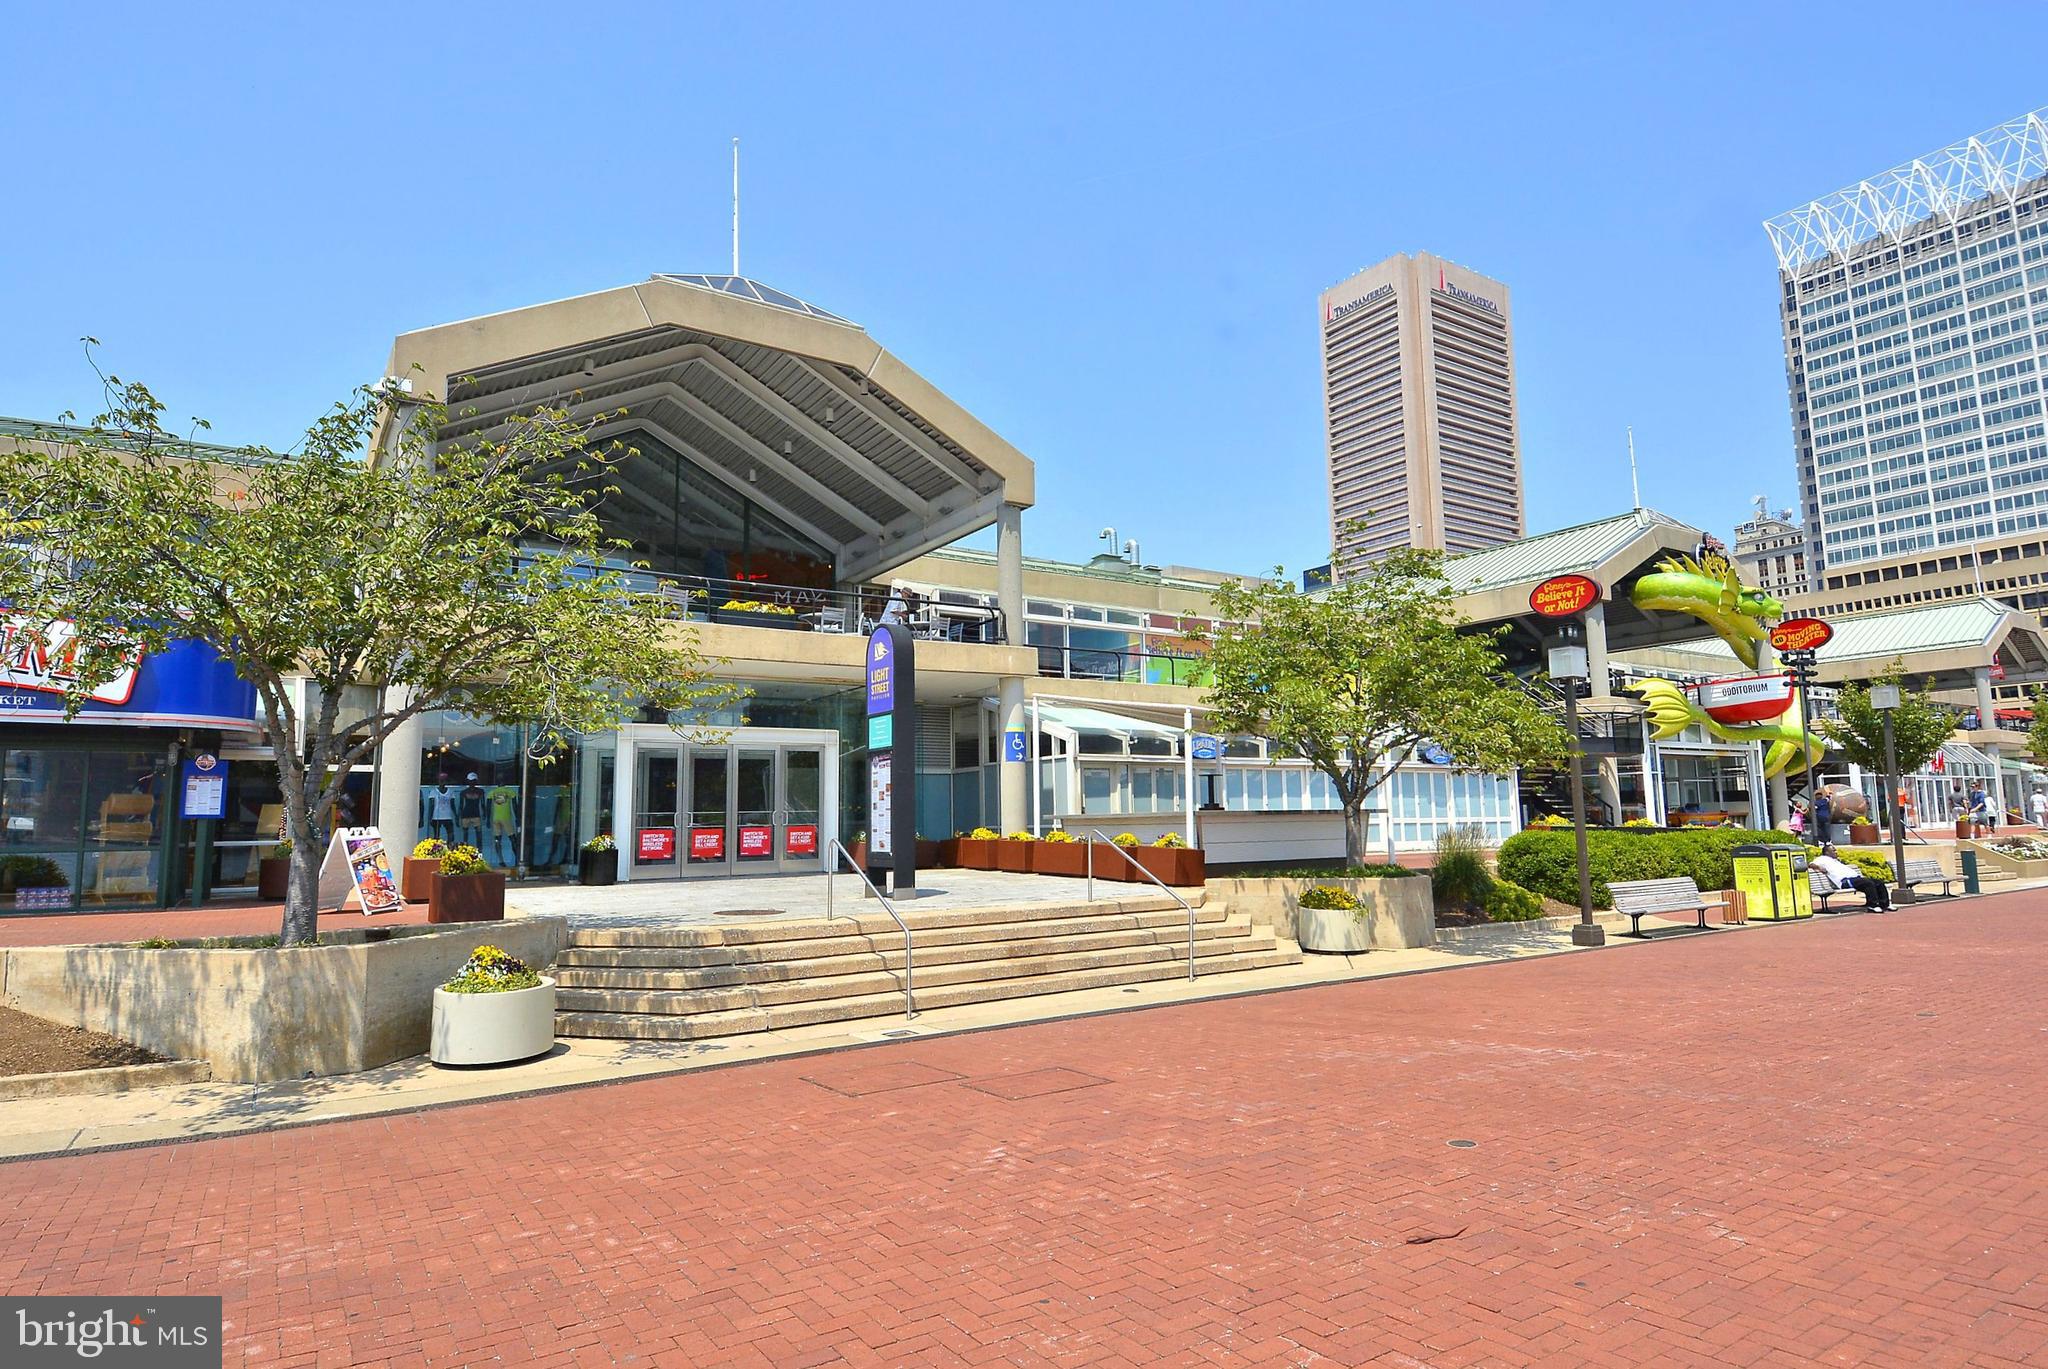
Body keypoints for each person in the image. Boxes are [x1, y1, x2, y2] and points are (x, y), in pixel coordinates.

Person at [1810, 844, 1892, 912]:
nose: (1836, 852)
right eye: (1833, 850)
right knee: (1868, 883)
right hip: (1845, 881)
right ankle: (1873, 905)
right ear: (1827, 852)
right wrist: (1819, 868)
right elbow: (1811, 864)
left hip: (1855, 878)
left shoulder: (1835, 860)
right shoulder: (1822, 859)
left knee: (1879, 882)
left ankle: (1885, 904)